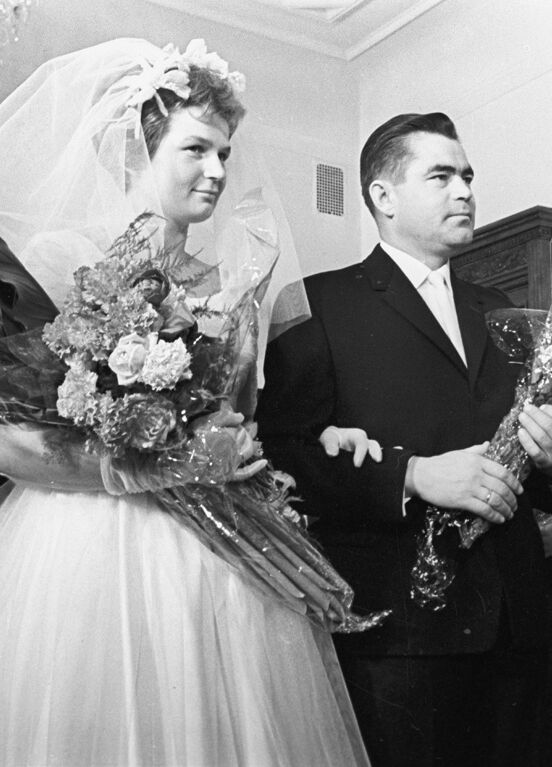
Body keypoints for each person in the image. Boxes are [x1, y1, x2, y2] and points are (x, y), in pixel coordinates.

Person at [0, 40, 371, 766]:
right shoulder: (51, 262)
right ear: (137, 149)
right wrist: (134, 466)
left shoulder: (235, 280)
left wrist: (278, 447)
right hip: (87, 547)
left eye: (226, 154)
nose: (218, 172)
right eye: (197, 148)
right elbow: (8, 431)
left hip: (216, 552)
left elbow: (241, 422)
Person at [257, 112, 552, 767]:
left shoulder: (498, 305)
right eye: (441, 175)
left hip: (524, 623)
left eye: (468, 176)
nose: (465, 191)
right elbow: (278, 457)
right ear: (383, 197)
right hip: (405, 638)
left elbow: (529, 462)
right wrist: (411, 475)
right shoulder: (315, 303)